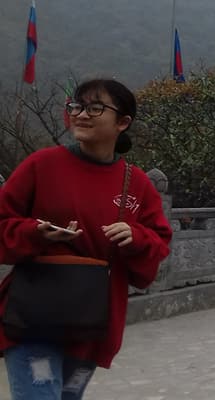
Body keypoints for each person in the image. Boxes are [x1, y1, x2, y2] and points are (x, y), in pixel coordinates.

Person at [0, 78, 173, 399]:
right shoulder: (41, 166)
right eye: (76, 107)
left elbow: (158, 243)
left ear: (123, 122)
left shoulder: (136, 184)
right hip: (32, 318)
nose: (81, 114)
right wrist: (33, 232)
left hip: (91, 324)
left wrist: (135, 237)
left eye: (95, 108)